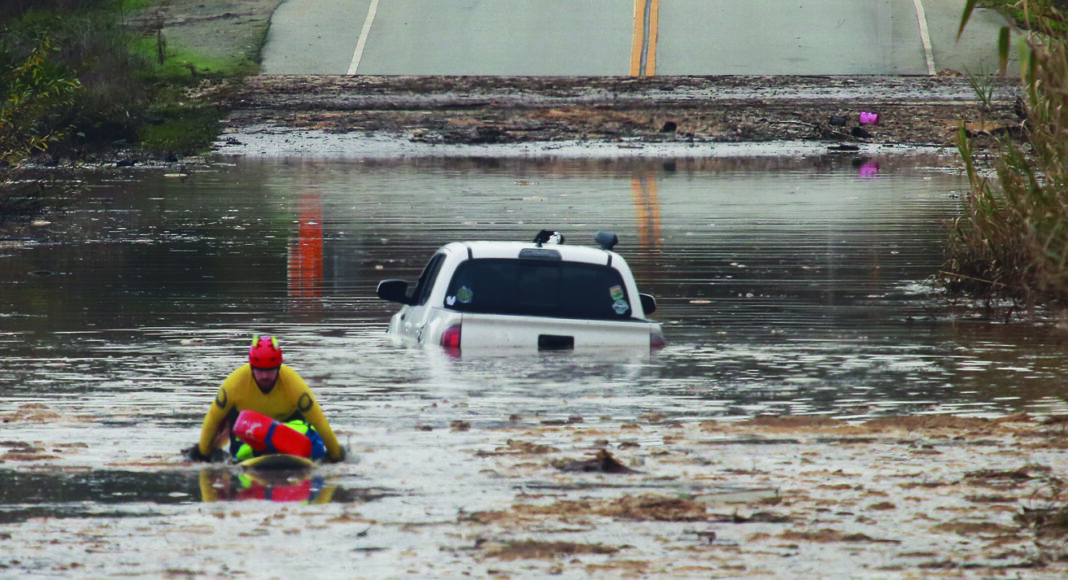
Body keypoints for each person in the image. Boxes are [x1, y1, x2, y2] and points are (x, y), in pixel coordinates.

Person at [185, 335, 345, 463]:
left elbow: (319, 421)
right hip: (247, 428)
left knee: (315, 450)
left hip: (287, 426)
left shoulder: (294, 384)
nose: (265, 376)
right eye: (260, 371)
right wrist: (204, 453)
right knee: (237, 451)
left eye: (270, 371)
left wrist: (335, 455)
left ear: (279, 367)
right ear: (251, 367)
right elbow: (213, 418)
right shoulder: (234, 384)